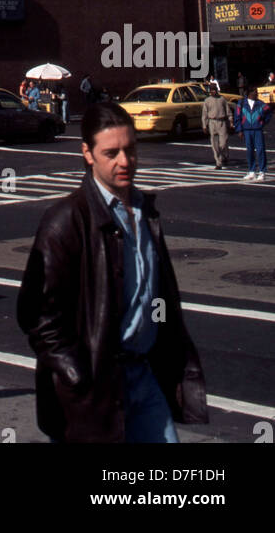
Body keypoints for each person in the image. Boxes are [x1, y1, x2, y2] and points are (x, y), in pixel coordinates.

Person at [17, 101, 207, 443]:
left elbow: (157, 295)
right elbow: (35, 314)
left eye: (130, 150)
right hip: (95, 388)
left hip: (144, 375)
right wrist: (78, 374)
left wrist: (166, 344)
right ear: (88, 153)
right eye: (112, 153)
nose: (124, 161)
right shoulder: (65, 221)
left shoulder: (145, 211)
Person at [234, 85, 274, 181]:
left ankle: (262, 171)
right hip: (247, 130)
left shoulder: (261, 104)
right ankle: (252, 171)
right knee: (250, 151)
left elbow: (269, 113)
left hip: (257, 129)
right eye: (254, 91)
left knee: (260, 150)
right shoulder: (242, 103)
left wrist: (262, 122)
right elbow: (237, 117)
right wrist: (239, 130)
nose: (256, 93)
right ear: (249, 93)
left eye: (256, 92)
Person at [201, 84, 232, 169]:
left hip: (222, 122)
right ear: (209, 91)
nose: (213, 91)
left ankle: (225, 156)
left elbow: (228, 111)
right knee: (215, 144)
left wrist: (231, 120)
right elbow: (204, 114)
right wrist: (204, 125)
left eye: (214, 90)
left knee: (223, 142)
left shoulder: (222, 99)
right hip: (212, 122)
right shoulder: (207, 101)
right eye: (211, 90)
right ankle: (218, 163)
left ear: (217, 90)